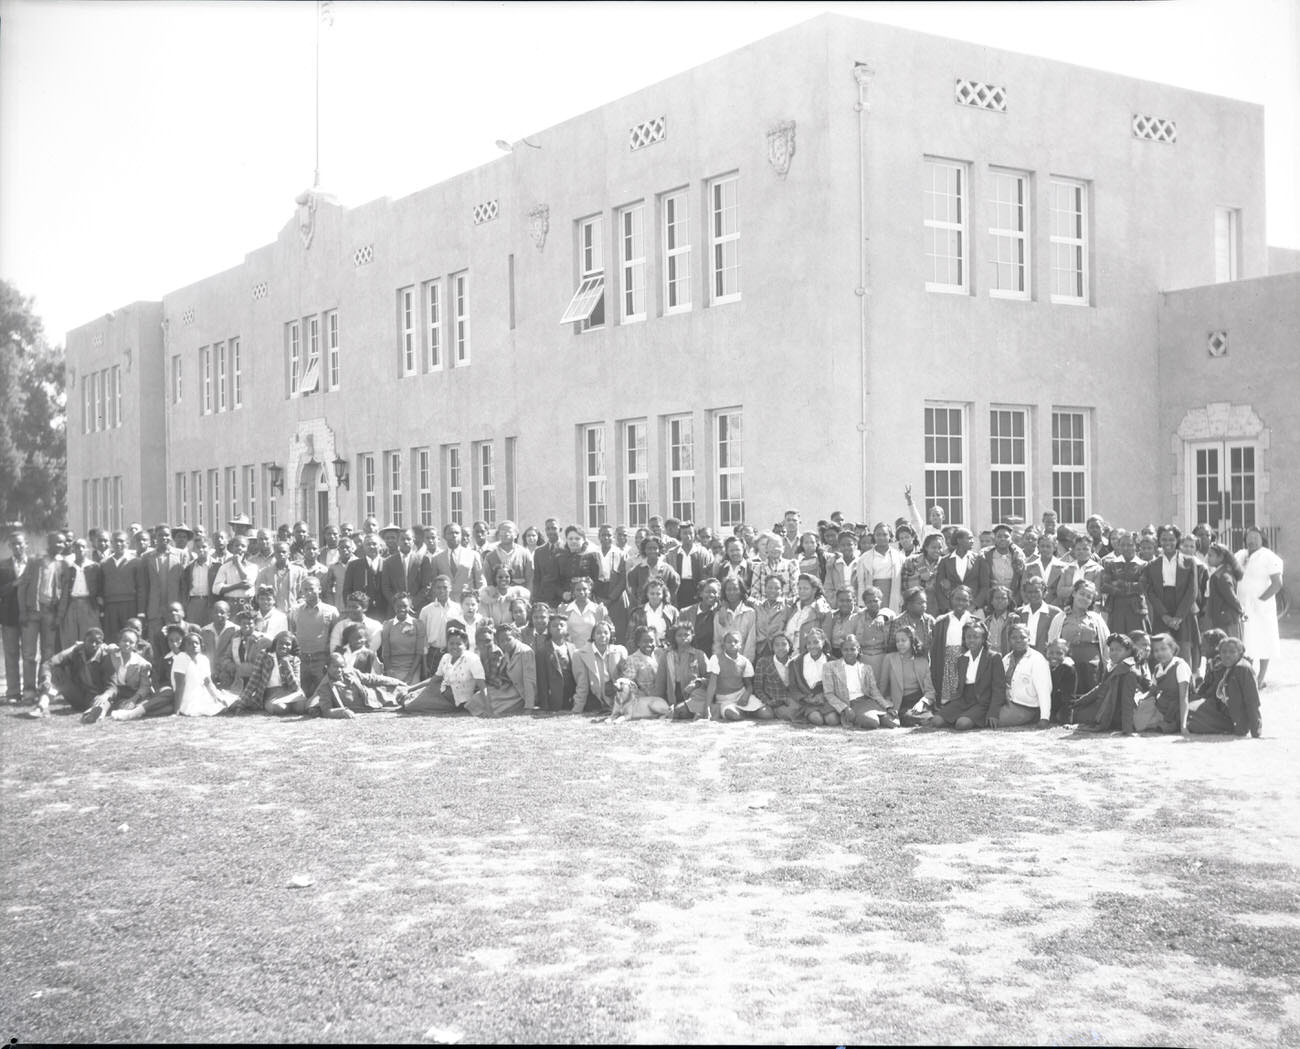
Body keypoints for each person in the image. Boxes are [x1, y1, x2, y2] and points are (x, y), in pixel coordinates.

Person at [1144, 525, 1201, 677]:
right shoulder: (1152, 565)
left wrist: (1179, 617)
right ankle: (1162, 685)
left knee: (1184, 649)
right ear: (1159, 541)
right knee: (1161, 649)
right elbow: (1150, 593)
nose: (1167, 542)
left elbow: (1192, 590)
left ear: (1177, 541)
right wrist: (1165, 616)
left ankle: (1185, 685)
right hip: (1162, 609)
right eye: (1164, 539)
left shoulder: (1189, 562)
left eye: (1171, 539)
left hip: (1183, 609)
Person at [931, 621, 1003, 730]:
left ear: (983, 639)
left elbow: (999, 688)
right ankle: (962, 715)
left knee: (961, 724)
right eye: (968, 637)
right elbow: (960, 687)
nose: (972, 640)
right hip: (964, 699)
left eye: (976, 637)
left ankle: (966, 717)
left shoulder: (993, 657)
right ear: (964, 639)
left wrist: (993, 712)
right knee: (936, 721)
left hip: (982, 701)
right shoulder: (962, 659)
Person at [401, 624, 486, 715]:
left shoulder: (472, 659)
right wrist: (411, 689)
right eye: (451, 643)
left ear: (465, 644)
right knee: (405, 697)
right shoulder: (446, 657)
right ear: (447, 644)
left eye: (458, 644)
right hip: (440, 691)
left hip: (455, 702)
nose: (454, 647)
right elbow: (435, 679)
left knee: (410, 706)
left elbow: (482, 686)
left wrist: (488, 709)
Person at [1236, 526, 1283, 687]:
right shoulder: (1240, 555)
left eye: (1256, 536)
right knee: (1246, 640)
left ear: (1262, 539)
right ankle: (1246, 676)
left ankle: (1260, 678)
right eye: (1249, 537)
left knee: (1264, 639)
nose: (1252, 540)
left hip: (1261, 607)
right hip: (1242, 605)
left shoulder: (1268, 556)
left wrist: (1260, 600)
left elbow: (1277, 584)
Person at [30, 627, 112, 718]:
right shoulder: (76, 650)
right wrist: (47, 680)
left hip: (96, 697)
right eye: (91, 641)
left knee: (104, 703)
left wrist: (105, 695)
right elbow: (48, 664)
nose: (94, 644)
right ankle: (42, 706)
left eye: (97, 642)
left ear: (102, 643)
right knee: (56, 671)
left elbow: (112, 685)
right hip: (77, 694)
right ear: (84, 640)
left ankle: (94, 713)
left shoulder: (106, 655)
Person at [1047, 580, 1110, 695]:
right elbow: (1052, 642)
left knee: (1090, 699)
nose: (1084, 598)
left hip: (1091, 668)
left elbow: (1107, 643)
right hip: (1067, 666)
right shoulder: (1060, 618)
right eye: (1081, 594)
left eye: (1088, 597)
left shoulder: (1096, 619)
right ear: (1074, 593)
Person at [1070, 633, 1141, 734]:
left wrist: (1127, 730)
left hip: (1113, 714)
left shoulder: (1129, 672)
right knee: (1071, 711)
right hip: (1103, 706)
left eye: (1118, 650)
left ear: (1128, 652)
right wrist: (1079, 702)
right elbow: (1101, 687)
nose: (1114, 653)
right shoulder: (1113, 665)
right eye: (1111, 650)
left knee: (1072, 715)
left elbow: (1127, 703)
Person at [987, 624, 1052, 728]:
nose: (1018, 640)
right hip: (1007, 702)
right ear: (1009, 640)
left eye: (1023, 637)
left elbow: (1044, 690)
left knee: (990, 720)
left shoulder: (1037, 660)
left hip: (1025, 707)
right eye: (1014, 638)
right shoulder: (1006, 659)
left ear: (1029, 639)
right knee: (986, 713)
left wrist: (1044, 718)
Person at [824, 633, 892, 729]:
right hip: (849, 703)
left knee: (893, 722)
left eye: (853, 649)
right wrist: (844, 708)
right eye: (845, 650)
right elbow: (829, 694)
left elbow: (874, 692)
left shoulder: (866, 668)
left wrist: (887, 706)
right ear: (841, 651)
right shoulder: (830, 667)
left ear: (858, 650)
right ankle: (862, 717)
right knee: (872, 723)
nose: (849, 653)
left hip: (866, 701)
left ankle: (874, 714)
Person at [167, 629, 240, 717]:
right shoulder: (181, 658)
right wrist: (176, 712)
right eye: (189, 643)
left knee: (232, 700)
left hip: (201, 695)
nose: (194, 645)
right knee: (222, 706)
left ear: (201, 645)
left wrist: (217, 697)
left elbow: (208, 682)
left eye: (196, 643)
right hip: (186, 699)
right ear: (184, 647)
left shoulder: (204, 659)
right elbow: (179, 686)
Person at [314, 652, 407, 718]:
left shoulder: (351, 673)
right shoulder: (325, 688)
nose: (339, 670)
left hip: (379, 695)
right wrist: (342, 712)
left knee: (406, 691)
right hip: (373, 707)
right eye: (335, 666)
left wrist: (396, 681)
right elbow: (327, 711)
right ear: (327, 667)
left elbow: (372, 678)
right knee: (408, 702)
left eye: (341, 667)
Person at [241, 631, 308, 716]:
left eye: (288, 644)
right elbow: (254, 680)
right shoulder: (264, 655)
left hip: (290, 692)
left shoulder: (295, 660)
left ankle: (290, 706)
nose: (284, 646)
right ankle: (283, 706)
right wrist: (242, 703)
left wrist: (288, 667)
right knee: (281, 709)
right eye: (281, 643)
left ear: (292, 646)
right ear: (275, 643)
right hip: (271, 693)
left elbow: (296, 687)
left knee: (301, 708)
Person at [879, 623, 935, 726]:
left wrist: (921, 703)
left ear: (912, 641)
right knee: (908, 717)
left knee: (931, 717)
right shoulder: (889, 659)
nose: (900, 644)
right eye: (897, 641)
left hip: (918, 700)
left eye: (903, 640)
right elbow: (882, 688)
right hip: (899, 702)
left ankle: (926, 718)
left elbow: (930, 691)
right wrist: (886, 706)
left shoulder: (922, 661)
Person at [1134, 632, 1190, 734]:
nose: (1159, 653)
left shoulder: (1180, 666)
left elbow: (1184, 697)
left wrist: (1183, 726)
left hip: (1178, 709)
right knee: (1137, 717)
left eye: (1163, 649)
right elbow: (1152, 692)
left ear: (1172, 649)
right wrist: (1139, 700)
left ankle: (1174, 724)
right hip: (1163, 707)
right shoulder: (1157, 668)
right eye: (1156, 650)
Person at [289, 577, 339, 693]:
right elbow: (292, 634)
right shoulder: (295, 611)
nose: (308, 592)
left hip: (321, 659)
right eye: (305, 590)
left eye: (311, 589)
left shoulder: (331, 611)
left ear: (320, 589)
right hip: (301, 660)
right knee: (300, 695)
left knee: (322, 693)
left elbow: (335, 635)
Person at [704, 629, 766, 721]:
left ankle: (747, 710)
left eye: (736, 642)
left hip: (741, 695)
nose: (732, 644)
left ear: (740, 645)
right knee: (734, 715)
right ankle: (738, 711)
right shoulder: (716, 659)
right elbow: (712, 685)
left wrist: (746, 695)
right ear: (724, 644)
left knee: (767, 713)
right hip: (725, 700)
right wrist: (707, 707)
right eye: (729, 641)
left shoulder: (744, 661)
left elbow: (749, 685)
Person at [931, 584, 975, 707]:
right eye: (957, 599)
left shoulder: (974, 621)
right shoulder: (942, 621)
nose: (961, 602)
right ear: (951, 599)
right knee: (948, 694)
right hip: (947, 661)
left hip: (967, 660)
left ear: (969, 601)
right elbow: (935, 648)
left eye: (965, 600)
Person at [140, 525, 187, 638]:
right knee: (155, 641)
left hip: (174, 607)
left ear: (171, 537)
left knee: (175, 640)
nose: (164, 538)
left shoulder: (181, 555)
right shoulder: (146, 557)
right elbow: (144, 586)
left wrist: (183, 607)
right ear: (155, 537)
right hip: (155, 608)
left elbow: (184, 585)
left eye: (167, 535)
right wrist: (143, 610)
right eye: (160, 535)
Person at [480, 622, 537, 715]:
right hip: (509, 688)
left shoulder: (525, 652)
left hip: (521, 693)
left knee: (492, 702)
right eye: (502, 641)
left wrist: (529, 707)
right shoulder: (506, 652)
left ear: (516, 638)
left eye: (508, 639)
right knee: (480, 697)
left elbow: (529, 680)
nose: (505, 643)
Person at [658, 621, 710, 719]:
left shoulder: (699, 655)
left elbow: (710, 678)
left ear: (692, 636)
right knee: (673, 712)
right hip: (674, 695)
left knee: (679, 711)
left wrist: (697, 683)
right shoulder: (666, 655)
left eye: (686, 634)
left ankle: (695, 710)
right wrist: (657, 701)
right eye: (679, 635)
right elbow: (660, 682)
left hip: (694, 695)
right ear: (674, 637)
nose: (683, 637)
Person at [57, 537, 102, 648]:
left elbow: (100, 589)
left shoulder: (94, 567)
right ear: (73, 549)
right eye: (77, 547)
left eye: (83, 547)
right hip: (72, 604)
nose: (80, 549)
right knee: (70, 638)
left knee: (89, 636)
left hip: (88, 604)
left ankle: (88, 663)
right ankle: (72, 663)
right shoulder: (69, 568)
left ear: (87, 549)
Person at [573, 619, 624, 715]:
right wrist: (577, 709)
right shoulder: (579, 654)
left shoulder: (620, 651)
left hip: (614, 695)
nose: (603, 636)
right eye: (599, 633)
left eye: (606, 632)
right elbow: (582, 684)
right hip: (594, 698)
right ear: (593, 635)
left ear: (611, 635)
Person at [788, 627, 837, 726]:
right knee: (817, 720)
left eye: (816, 642)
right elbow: (793, 687)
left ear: (823, 642)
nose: (812, 646)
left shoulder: (832, 662)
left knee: (832, 720)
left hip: (826, 700)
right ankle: (809, 714)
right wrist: (805, 698)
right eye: (809, 643)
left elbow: (837, 685)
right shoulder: (796, 662)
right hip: (807, 701)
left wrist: (823, 695)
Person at [973, 523, 1026, 613]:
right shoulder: (985, 556)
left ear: (1011, 539)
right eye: (999, 536)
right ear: (994, 539)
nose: (1002, 539)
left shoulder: (1017, 556)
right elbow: (981, 582)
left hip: (1013, 603)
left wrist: (1015, 602)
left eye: (1006, 536)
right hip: (990, 603)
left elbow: (1021, 581)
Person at [534, 615, 578, 714]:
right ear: (549, 629)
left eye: (561, 625)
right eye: (554, 625)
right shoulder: (543, 652)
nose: (558, 627)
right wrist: (544, 705)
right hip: (553, 700)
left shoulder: (573, 648)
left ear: (567, 629)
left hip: (571, 699)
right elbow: (542, 681)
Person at [627, 534, 681, 608]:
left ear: (659, 550)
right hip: (643, 609)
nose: (652, 551)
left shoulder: (667, 569)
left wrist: (667, 600)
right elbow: (633, 590)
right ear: (644, 550)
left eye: (655, 548)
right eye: (649, 548)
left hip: (662, 609)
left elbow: (674, 586)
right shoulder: (637, 570)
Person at [753, 632, 797, 722]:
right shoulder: (763, 662)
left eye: (784, 644)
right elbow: (757, 688)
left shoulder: (795, 663)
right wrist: (767, 701)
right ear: (772, 648)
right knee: (768, 715)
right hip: (772, 701)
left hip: (788, 700)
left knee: (796, 710)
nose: (780, 648)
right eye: (777, 645)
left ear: (790, 646)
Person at [1204, 542, 1244, 639]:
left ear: (1221, 557)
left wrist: (1241, 609)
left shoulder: (1221, 576)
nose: (1207, 558)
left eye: (1210, 555)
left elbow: (1230, 596)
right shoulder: (1222, 572)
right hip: (1224, 618)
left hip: (1225, 621)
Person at [342, 534, 387, 619]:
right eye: (368, 544)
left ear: (380, 546)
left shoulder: (388, 563)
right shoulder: (353, 566)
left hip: (384, 612)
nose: (371, 546)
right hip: (361, 613)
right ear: (363, 547)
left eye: (374, 544)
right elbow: (347, 590)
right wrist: (351, 610)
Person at [901, 533, 945, 620]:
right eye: (933, 547)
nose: (937, 550)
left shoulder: (944, 564)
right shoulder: (911, 561)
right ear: (926, 547)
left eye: (940, 548)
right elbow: (904, 587)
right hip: (913, 607)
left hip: (936, 608)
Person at [935, 528, 979, 615]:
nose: (972, 541)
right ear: (959, 540)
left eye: (972, 538)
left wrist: (973, 606)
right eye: (969, 538)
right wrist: (947, 609)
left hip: (973, 610)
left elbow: (984, 586)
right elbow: (938, 588)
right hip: (952, 609)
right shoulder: (945, 561)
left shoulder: (979, 559)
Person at [557, 575, 609, 649]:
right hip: (570, 652)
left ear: (590, 590)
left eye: (585, 589)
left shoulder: (599, 609)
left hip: (592, 652)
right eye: (578, 590)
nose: (581, 592)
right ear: (573, 592)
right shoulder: (563, 609)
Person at [483, 520, 534, 592]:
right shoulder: (490, 556)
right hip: (498, 598)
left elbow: (530, 579)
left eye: (509, 531)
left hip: (519, 598)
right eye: (503, 531)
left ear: (516, 534)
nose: (506, 533)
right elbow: (488, 581)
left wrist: (526, 596)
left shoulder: (525, 554)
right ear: (498, 535)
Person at [180, 532, 219, 627]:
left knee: (209, 630)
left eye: (204, 547)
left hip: (210, 603)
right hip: (194, 603)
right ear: (194, 550)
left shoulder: (217, 566)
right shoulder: (189, 567)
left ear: (210, 548)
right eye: (198, 547)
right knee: (193, 630)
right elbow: (185, 588)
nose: (201, 549)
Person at [1015, 576, 1061, 655]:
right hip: (1023, 655)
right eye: (1029, 592)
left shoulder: (1055, 613)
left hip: (1045, 656)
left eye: (1036, 592)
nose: (1033, 595)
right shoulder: (1019, 612)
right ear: (1025, 593)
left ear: (1044, 592)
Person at [628, 578, 678, 649]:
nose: (655, 596)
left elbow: (677, 635)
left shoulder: (672, 612)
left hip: (666, 650)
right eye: (652, 593)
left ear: (663, 594)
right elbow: (631, 637)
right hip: (643, 650)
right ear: (647, 594)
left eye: (658, 594)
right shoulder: (637, 613)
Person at [1045, 639, 1078, 724]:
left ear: (1065, 654)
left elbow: (1068, 696)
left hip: (1062, 703)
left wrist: (1067, 720)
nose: (1054, 656)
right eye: (1051, 653)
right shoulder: (1043, 665)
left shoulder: (1068, 669)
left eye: (1059, 653)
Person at [982, 585, 1019, 655]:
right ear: (991, 601)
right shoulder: (987, 621)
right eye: (997, 598)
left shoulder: (1014, 619)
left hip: (1008, 659)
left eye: (1003, 598)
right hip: (991, 659)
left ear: (1009, 601)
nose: (1000, 601)